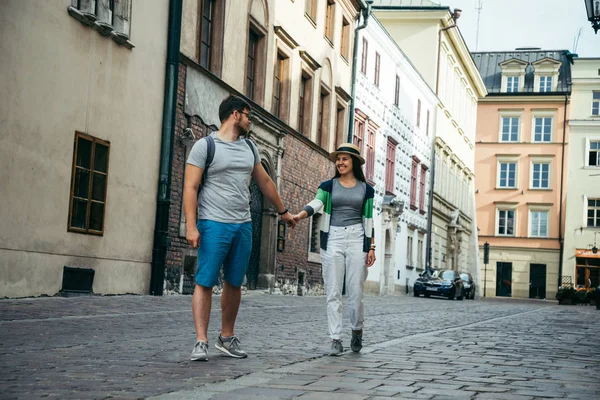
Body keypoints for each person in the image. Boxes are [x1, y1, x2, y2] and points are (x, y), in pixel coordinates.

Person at [183, 95, 296, 361]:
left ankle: (226, 337)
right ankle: (201, 340)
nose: (249, 121)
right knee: (205, 281)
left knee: (235, 282)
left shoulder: (250, 148)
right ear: (235, 115)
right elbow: (190, 187)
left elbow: (265, 181)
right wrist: (191, 225)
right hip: (213, 223)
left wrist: (283, 211)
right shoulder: (204, 146)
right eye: (247, 116)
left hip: (243, 224)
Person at [292, 143, 376, 356]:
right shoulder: (328, 186)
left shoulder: (366, 189)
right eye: (338, 159)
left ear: (354, 162)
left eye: (345, 158)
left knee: (355, 291)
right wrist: (300, 215)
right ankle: (336, 338)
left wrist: (371, 246)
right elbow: (317, 203)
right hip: (333, 239)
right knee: (333, 291)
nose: (340, 162)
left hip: (358, 238)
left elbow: (369, 220)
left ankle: (357, 330)